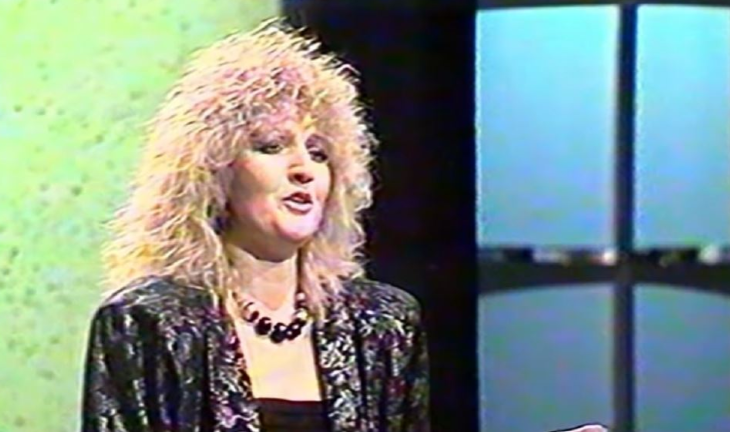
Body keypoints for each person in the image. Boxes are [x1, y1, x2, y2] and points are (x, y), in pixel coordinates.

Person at [81, 20, 428, 432]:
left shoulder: (384, 324)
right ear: (215, 171)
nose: (304, 169)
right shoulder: (146, 322)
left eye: (319, 153)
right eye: (271, 146)